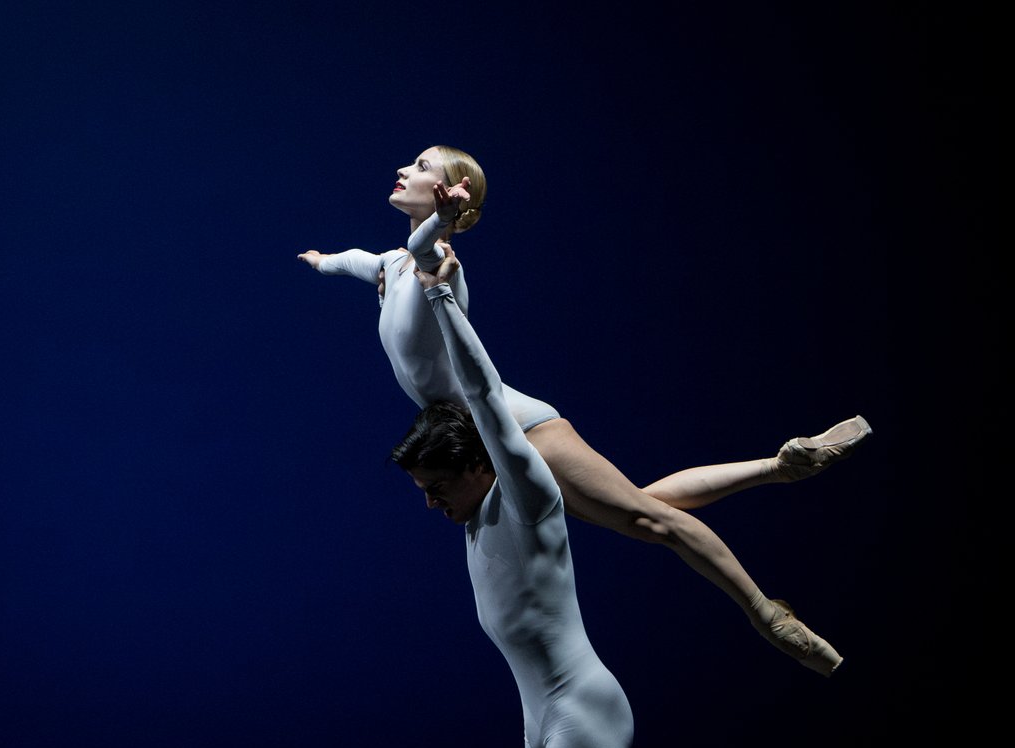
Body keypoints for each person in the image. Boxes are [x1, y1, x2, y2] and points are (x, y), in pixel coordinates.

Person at [299, 145, 871, 675]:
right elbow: (357, 259)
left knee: (651, 521)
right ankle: (782, 466)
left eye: (423, 166)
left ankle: (766, 614)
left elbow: (427, 244)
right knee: (642, 509)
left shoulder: (435, 259)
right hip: (489, 435)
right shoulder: (391, 266)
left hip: (520, 424)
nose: (406, 169)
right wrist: (323, 262)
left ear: (453, 193)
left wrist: (445, 221)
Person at [392, 244, 633, 748]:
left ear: (481, 464)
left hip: (580, 710)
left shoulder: (524, 495)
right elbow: (432, 387)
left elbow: (481, 394)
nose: (431, 505)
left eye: (438, 489)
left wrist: (439, 294)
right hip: (538, 721)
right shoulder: (474, 517)